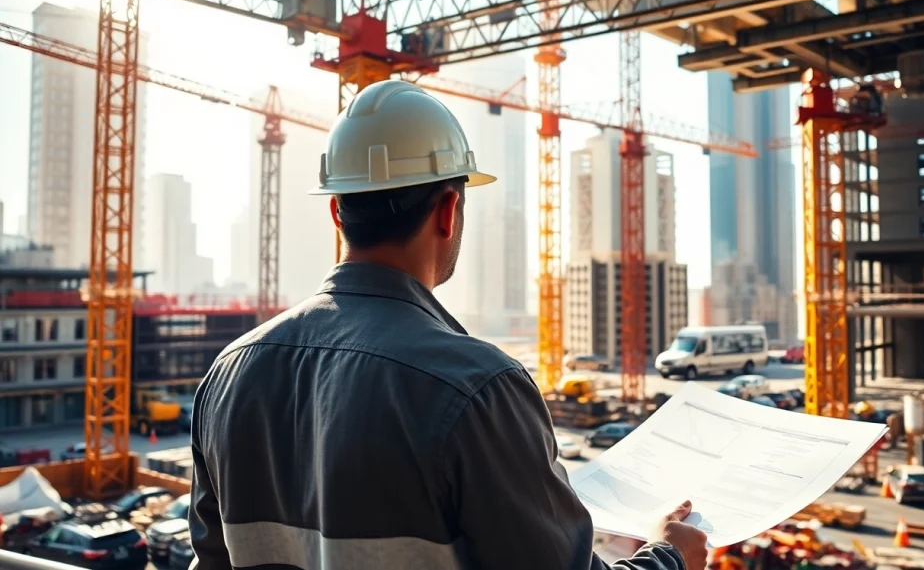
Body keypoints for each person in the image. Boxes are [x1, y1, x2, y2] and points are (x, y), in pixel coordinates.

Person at [186, 79, 706, 570]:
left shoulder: (229, 374)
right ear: (449, 209)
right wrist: (670, 556)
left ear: (337, 214)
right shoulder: (476, 386)